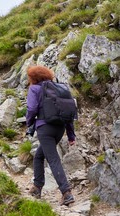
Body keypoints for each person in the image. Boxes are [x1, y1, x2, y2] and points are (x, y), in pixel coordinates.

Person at [25, 65, 76, 206]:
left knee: (53, 160)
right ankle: (37, 187)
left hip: (44, 128)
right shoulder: (59, 88)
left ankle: (66, 193)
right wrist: (71, 136)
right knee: (39, 156)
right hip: (59, 128)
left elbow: (32, 108)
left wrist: (29, 123)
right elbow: (68, 112)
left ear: (33, 78)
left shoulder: (34, 89)